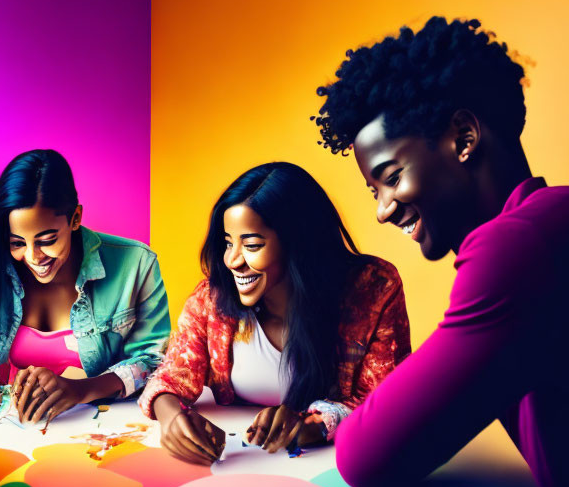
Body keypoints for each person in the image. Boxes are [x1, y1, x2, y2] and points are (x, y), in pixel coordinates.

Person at [315, 16, 569, 487]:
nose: (381, 211)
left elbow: (368, 456)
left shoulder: (520, 247)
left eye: (389, 177)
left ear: (464, 137)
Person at [139, 162, 410, 464]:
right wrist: (171, 417)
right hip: (243, 470)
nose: (232, 260)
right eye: (228, 243)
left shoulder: (374, 290)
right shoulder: (211, 300)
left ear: (299, 245)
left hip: (340, 472)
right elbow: (171, 377)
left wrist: (312, 426)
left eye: (252, 245)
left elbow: (389, 400)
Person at [0, 149, 170, 424]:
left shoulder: (137, 264)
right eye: (16, 243)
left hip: (100, 429)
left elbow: (154, 361)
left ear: (75, 218)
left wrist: (80, 389)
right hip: (3, 430)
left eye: (47, 240)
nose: (33, 257)